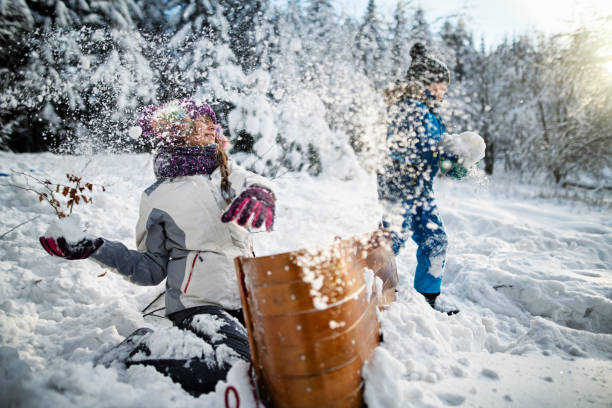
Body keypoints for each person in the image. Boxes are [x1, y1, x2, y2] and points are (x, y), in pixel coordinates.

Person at [39, 99, 276, 396]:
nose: (210, 126)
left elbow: (256, 182)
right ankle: (142, 350)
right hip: (197, 305)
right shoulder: (158, 196)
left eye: (210, 121)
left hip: (247, 300)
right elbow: (149, 269)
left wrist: (261, 194)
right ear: (178, 131)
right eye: (200, 120)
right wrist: (96, 248)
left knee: (281, 360)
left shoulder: (227, 176)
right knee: (236, 369)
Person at [378, 43, 467, 313]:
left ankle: (427, 300)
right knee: (392, 240)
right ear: (426, 83)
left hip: (422, 190)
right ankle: (370, 294)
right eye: (440, 85)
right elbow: (404, 147)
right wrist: (438, 154)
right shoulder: (407, 108)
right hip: (399, 186)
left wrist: (452, 162)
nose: (444, 91)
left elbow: (436, 151)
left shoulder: (431, 115)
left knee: (435, 240)